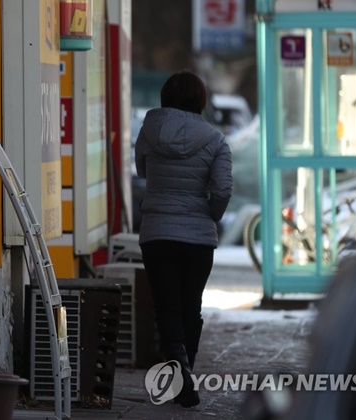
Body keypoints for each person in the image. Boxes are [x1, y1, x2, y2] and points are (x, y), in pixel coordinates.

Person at [134, 70, 233, 407]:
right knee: (191, 306)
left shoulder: (149, 131)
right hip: (197, 237)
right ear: (200, 100)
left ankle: (180, 370)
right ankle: (184, 373)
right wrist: (210, 214)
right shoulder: (215, 139)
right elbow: (222, 189)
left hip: (157, 232)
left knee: (166, 305)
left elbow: (141, 170)